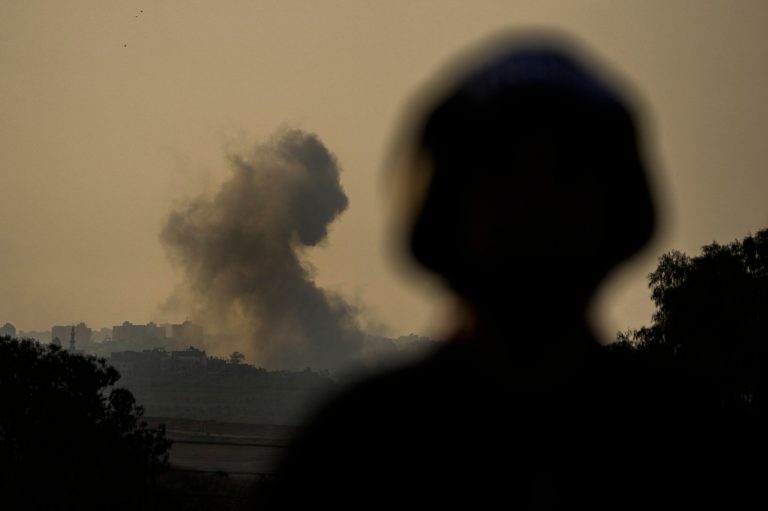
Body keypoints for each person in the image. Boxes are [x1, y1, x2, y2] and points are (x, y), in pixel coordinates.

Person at [263, 34, 734, 509]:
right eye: (501, 170)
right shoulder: (351, 450)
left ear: (619, 212)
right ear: (444, 210)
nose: (535, 201)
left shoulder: (693, 440)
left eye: (567, 172)